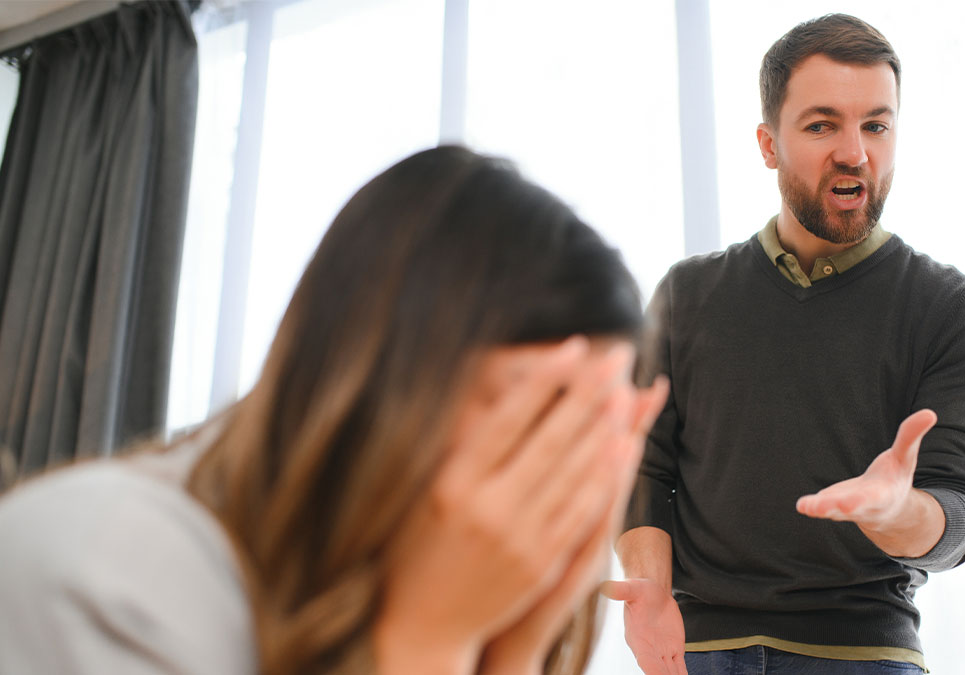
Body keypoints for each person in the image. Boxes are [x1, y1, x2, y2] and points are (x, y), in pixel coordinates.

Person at [0, 145, 669, 675]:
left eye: (588, 430)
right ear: (380, 376)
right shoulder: (99, 580)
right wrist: (430, 641)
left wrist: (517, 651)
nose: (558, 472)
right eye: (531, 418)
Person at [605, 14, 965, 675]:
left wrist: (896, 510)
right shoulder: (686, 294)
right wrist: (648, 588)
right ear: (767, 143)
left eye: (875, 124)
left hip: (863, 654)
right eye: (823, 124)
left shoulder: (950, 308)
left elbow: (962, 506)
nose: (855, 152)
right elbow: (644, 467)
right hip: (696, 651)